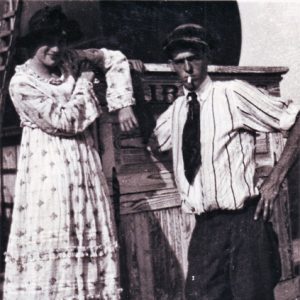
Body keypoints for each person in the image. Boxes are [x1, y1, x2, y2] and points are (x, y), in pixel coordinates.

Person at [150, 23, 300, 299]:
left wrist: (275, 180)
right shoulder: (176, 112)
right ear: (172, 66)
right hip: (206, 228)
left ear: (206, 57)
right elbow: (153, 142)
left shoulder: (232, 94)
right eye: (179, 62)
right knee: (198, 293)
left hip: (245, 222)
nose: (187, 68)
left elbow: (295, 119)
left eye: (193, 59)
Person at [3, 5, 138, 300]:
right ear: (32, 44)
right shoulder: (21, 84)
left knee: (86, 232)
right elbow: (65, 121)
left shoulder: (69, 62)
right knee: (57, 237)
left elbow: (112, 58)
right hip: (47, 177)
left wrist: (122, 102)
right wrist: (86, 83)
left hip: (84, 170)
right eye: (47, 42)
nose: (55, 48)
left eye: (61, 40)